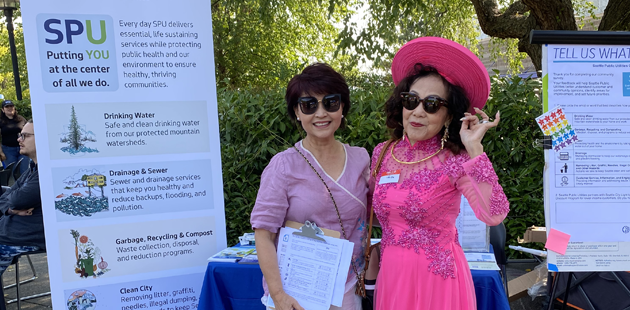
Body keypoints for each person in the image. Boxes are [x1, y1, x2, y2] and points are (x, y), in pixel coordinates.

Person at [369, 37, 510, 309]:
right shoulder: (382, 153)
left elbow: (494, 214)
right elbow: (377, 213)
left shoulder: (456, 160)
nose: (418, 111)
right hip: (392, 277)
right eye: (411, 100)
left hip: (438, 282)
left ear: (448, 116)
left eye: (431, 104)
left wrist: (474, 150)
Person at [250, 63, 370, 310]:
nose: (321, 113)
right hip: (296, 293)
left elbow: (379, 215)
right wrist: (278, 295)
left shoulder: (362, 159)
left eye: (330, 103)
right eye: (309, 105)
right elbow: (263, 234)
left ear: (342, 107)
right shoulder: (283, 166)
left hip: (346, 289)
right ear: (297, 111)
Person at [0, 119, 44, 308]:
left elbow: (17, 198)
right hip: (10, 234)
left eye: (25, 135)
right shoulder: (31, 169)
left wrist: (12, 203)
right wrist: (10, 210)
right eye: (20, 135)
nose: (20, 139)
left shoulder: (47, 172)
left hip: (23, 237)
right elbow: (7, 198)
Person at [0, 99, 29, 174]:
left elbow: (29, 132)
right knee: (13, 173)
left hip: (23, 148)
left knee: (25, 172)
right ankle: (17, 186)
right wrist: (1, 152)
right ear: (3, 110)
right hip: (8, 150)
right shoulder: (1, 121)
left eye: (11, 106)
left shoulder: (21, 119)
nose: (10, 108)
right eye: (7, 107)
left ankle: (25, 186)